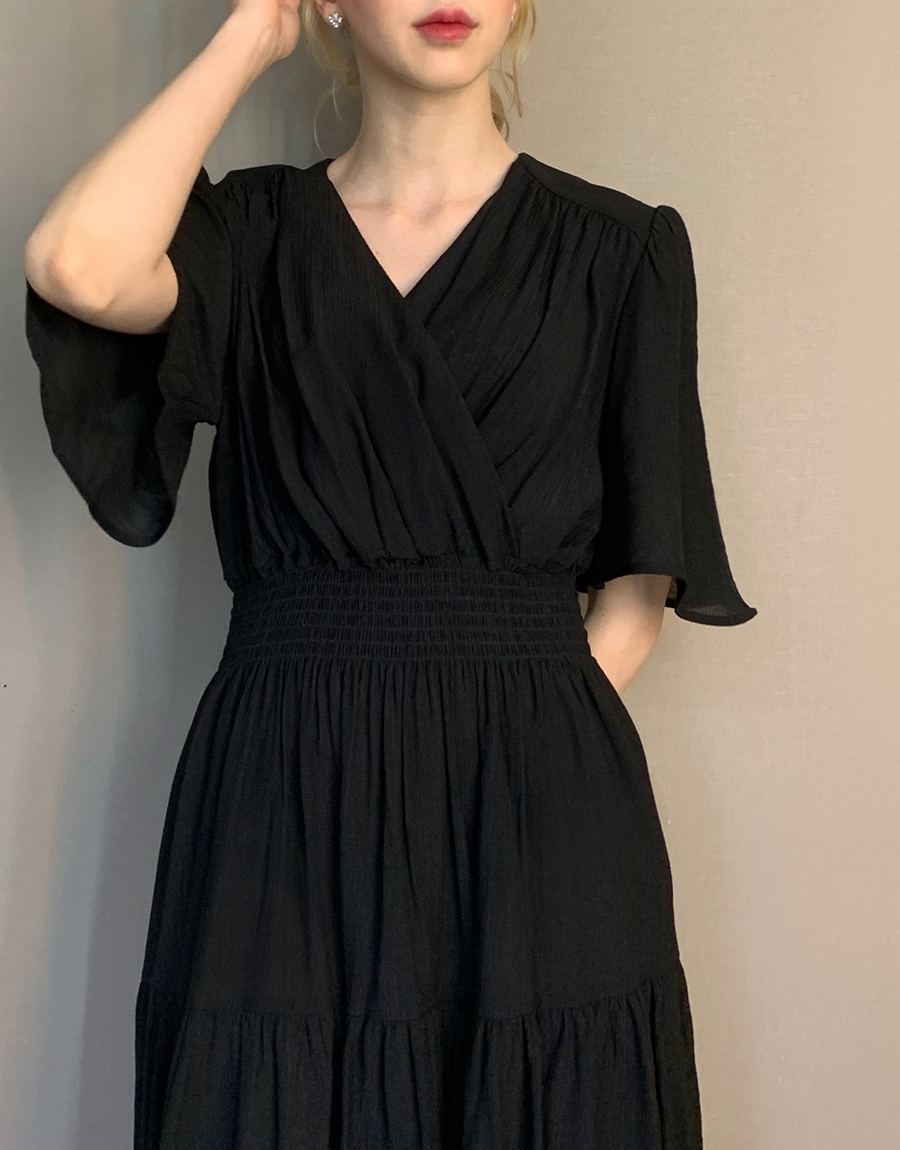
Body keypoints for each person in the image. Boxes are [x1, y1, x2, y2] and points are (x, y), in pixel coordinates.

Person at [22, 1, 757, 1147]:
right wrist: (250, 36)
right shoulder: (250, 236)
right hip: (282, 789)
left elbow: (635, 598)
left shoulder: (620, 251)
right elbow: (77, 263)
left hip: (536, 807)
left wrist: (499, 745)